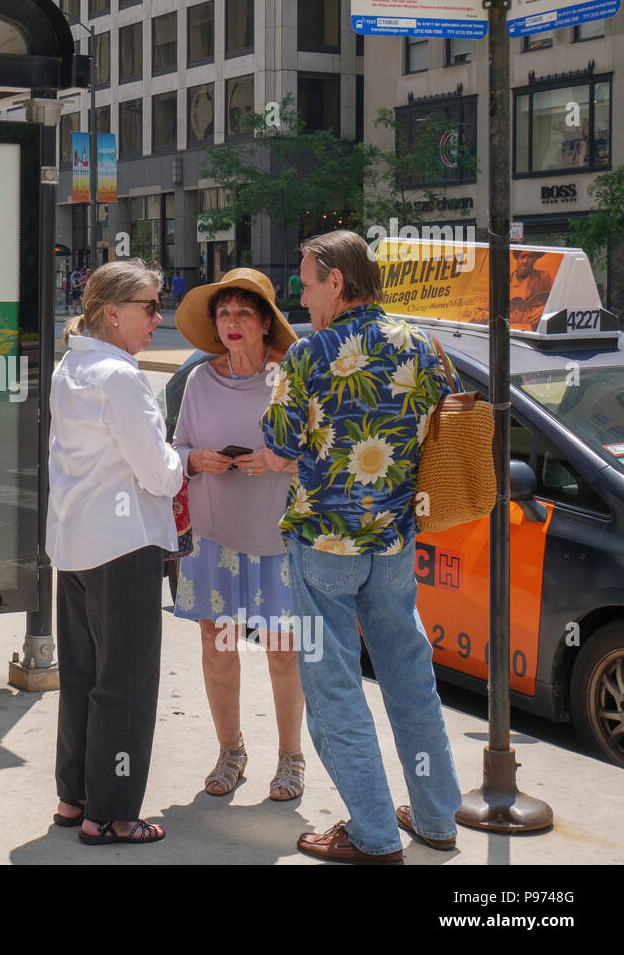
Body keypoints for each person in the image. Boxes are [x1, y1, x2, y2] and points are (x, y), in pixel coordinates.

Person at [261, 229, 461, 863]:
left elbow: (276, 450)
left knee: (335, 688)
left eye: (306, 281)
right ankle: (435, 816)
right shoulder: (423, 346)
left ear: (337, 282)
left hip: (324, 544)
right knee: (409, 677)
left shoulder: (308, 355)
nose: (301, 292)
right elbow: (446, 425)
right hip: (396, 542)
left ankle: (373, 833)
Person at [47, 259, 182, 845]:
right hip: (126, 546)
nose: (159, 317)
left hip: (77, 542)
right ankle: (114, 813)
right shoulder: (121, 378)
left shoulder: (70, 368)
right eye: (151, 306)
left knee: (81, 676)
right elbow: (159, 474)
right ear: (113, 311)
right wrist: (183, 459)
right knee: (125, 683)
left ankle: (75, 798)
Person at [172, 269, 306, 801]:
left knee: (283, 651)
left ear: (265, 323)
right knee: (217, 644)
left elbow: (320, 452)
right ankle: (231, 750)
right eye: (223, 314)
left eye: (243, 313)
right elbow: (176, 448)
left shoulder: (289, 377)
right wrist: (196, 459)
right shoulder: (200, 380)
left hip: (276, 540)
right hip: (213, 536)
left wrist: (275, 461)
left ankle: (291, 759)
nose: (231, 323)